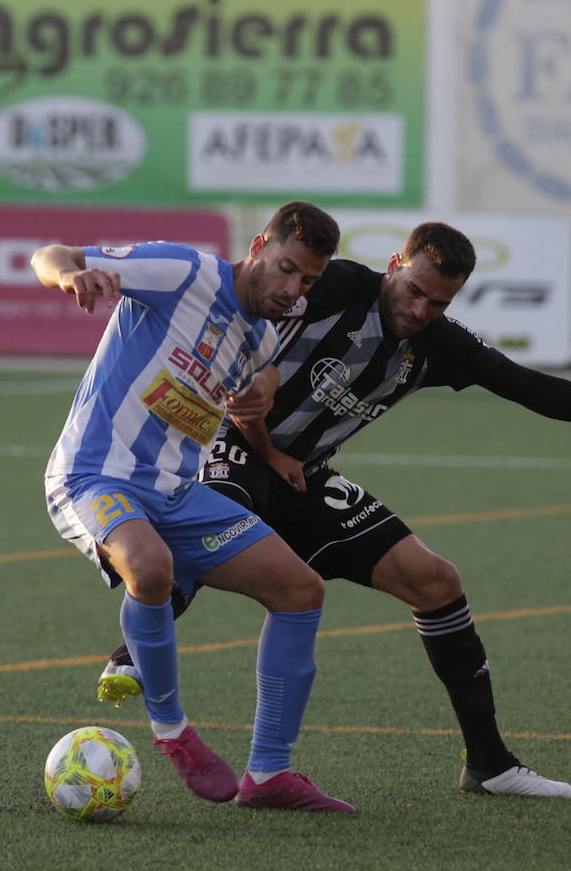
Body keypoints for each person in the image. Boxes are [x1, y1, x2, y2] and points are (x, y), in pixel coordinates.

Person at [96, 221, 571, 799]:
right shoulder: (337, 283)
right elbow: (249, 331)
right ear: (395, 263)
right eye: (415, 290)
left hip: (304, 477)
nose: (420, 309)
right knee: (222, 512)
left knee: (437, 581)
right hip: (231, 446)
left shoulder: (438, 345)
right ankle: (131, 655)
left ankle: (489, 763)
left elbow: (529, 386)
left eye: (439, 302)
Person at [33, 201, 355, 812]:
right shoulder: (183, 272)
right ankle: (173, 734)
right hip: (94, 475)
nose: (293, 289)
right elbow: (52, 256)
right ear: (259, 244)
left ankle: (269, 775)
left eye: (307, 281)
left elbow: (260, 376)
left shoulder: (261, 332)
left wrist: (266, 406)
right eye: (286, 269)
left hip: (177, 491)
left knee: (302, 591)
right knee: (152, 569)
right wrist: (70, 275)